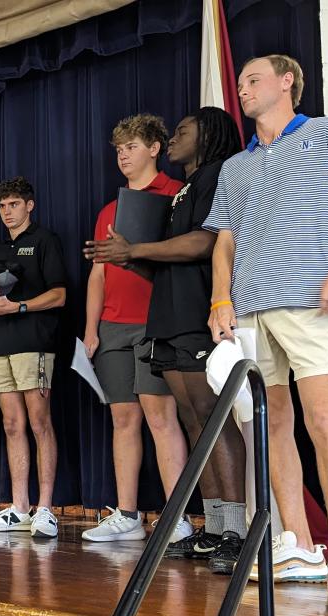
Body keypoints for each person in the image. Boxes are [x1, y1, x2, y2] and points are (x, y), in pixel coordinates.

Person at [206, 54, 328, 609]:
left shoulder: (325, 134)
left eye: (253, 79)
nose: (242, 89)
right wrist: (221, 300)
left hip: (309, 300)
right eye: (239, 82)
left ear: (287, 82)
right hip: (248, 311)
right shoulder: (235, 167)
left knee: (323, 418)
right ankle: (300, 545)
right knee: (268, 426)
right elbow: (223, 240)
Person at [87, 108, 248, 571]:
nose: (174, 138)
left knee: (213, 420)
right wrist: (125, 257)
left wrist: (133, 250)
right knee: (197, 422)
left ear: (210, 135)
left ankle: (236, 530)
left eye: (182, 131)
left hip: (198, 315)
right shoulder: (185, 193)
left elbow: (205, 242)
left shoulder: (217, 176)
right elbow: (166, 261)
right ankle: (215, 527)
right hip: (169, 314)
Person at [81, 114, 190, 544]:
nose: (123, 155)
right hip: (112, 326)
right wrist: (91, 329)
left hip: (155, 323)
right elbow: (97, 275)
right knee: (122, 419)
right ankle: (126, 515)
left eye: (131, 146)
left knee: (160, 417)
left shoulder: (174, 196)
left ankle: (177, 516)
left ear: (154, 148)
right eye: (119, 149)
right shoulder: (110, 208)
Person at [0, 177, 67, 535]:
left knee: (39, 422)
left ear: (29, 205)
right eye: (2, 206)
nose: (7, 212)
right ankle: (19, 506)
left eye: (13, 204)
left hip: (34, 342)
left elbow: (59, 295)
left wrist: (19, 306)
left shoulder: (45, 241)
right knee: (11, 425)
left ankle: (46, 506)